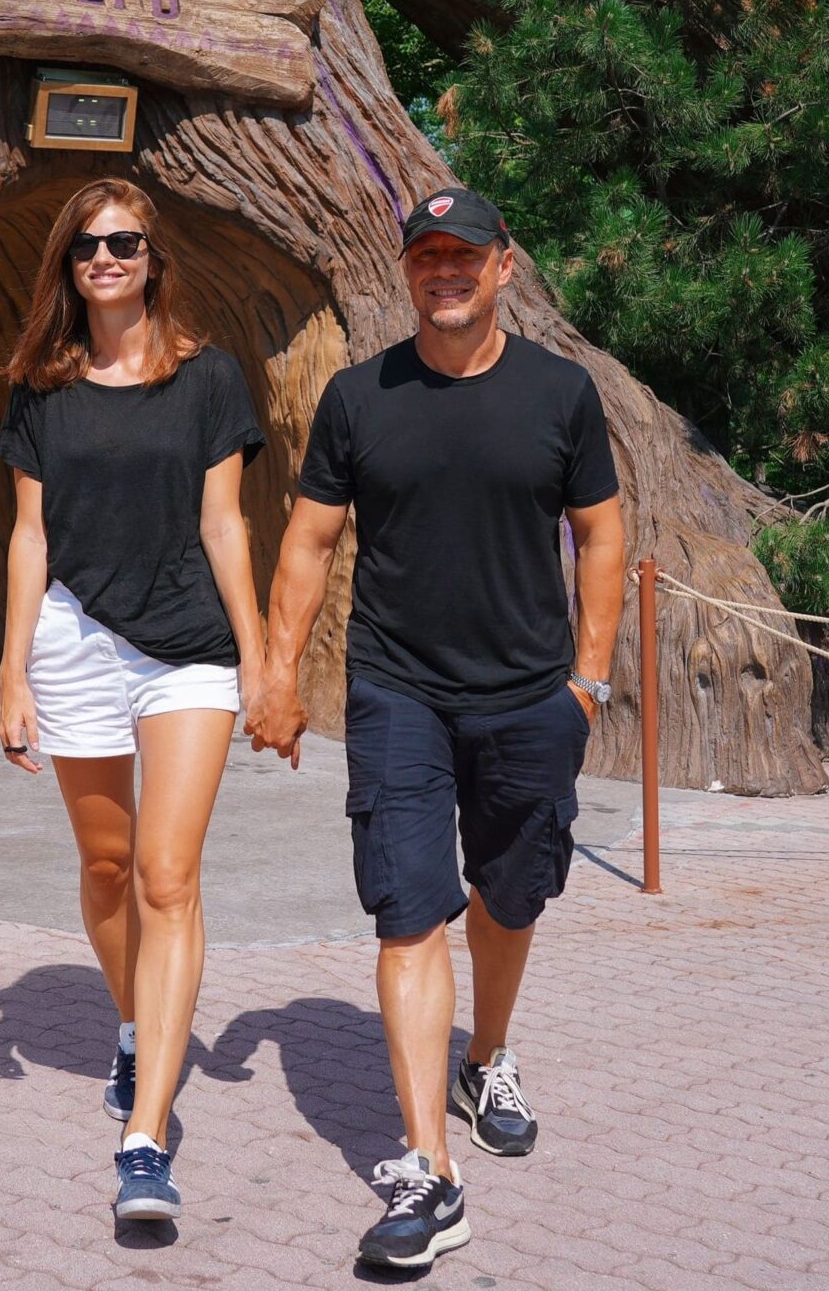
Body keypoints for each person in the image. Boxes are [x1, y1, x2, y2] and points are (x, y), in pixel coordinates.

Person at [248, 185, 626, 1271]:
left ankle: (487, 1056)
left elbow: (601, 534)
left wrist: (587, 683)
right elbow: (309, 541)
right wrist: (279, 675)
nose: (444, 271)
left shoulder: (561, 394)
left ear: (504, 267)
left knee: (508, 897)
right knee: (407, 912)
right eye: (426, 257)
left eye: (465, 255)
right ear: (406, 272)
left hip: (528, 697)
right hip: (397, 693)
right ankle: (428, 1170)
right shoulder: (360, 397)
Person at [0, 179, 267, 1224]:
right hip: (72, 641)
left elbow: (226, 525)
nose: (105, 257)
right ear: (67, 264)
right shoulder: (40, 386)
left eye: (125, 242)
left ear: (154, 258)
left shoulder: (208, 379)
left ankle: (145, 1134)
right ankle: (132, 1023)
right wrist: (12, 670)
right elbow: (30, 536)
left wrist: (256, 659)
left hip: (186, 653)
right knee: (106, 866)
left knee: (164, 874)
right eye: (87, 245)